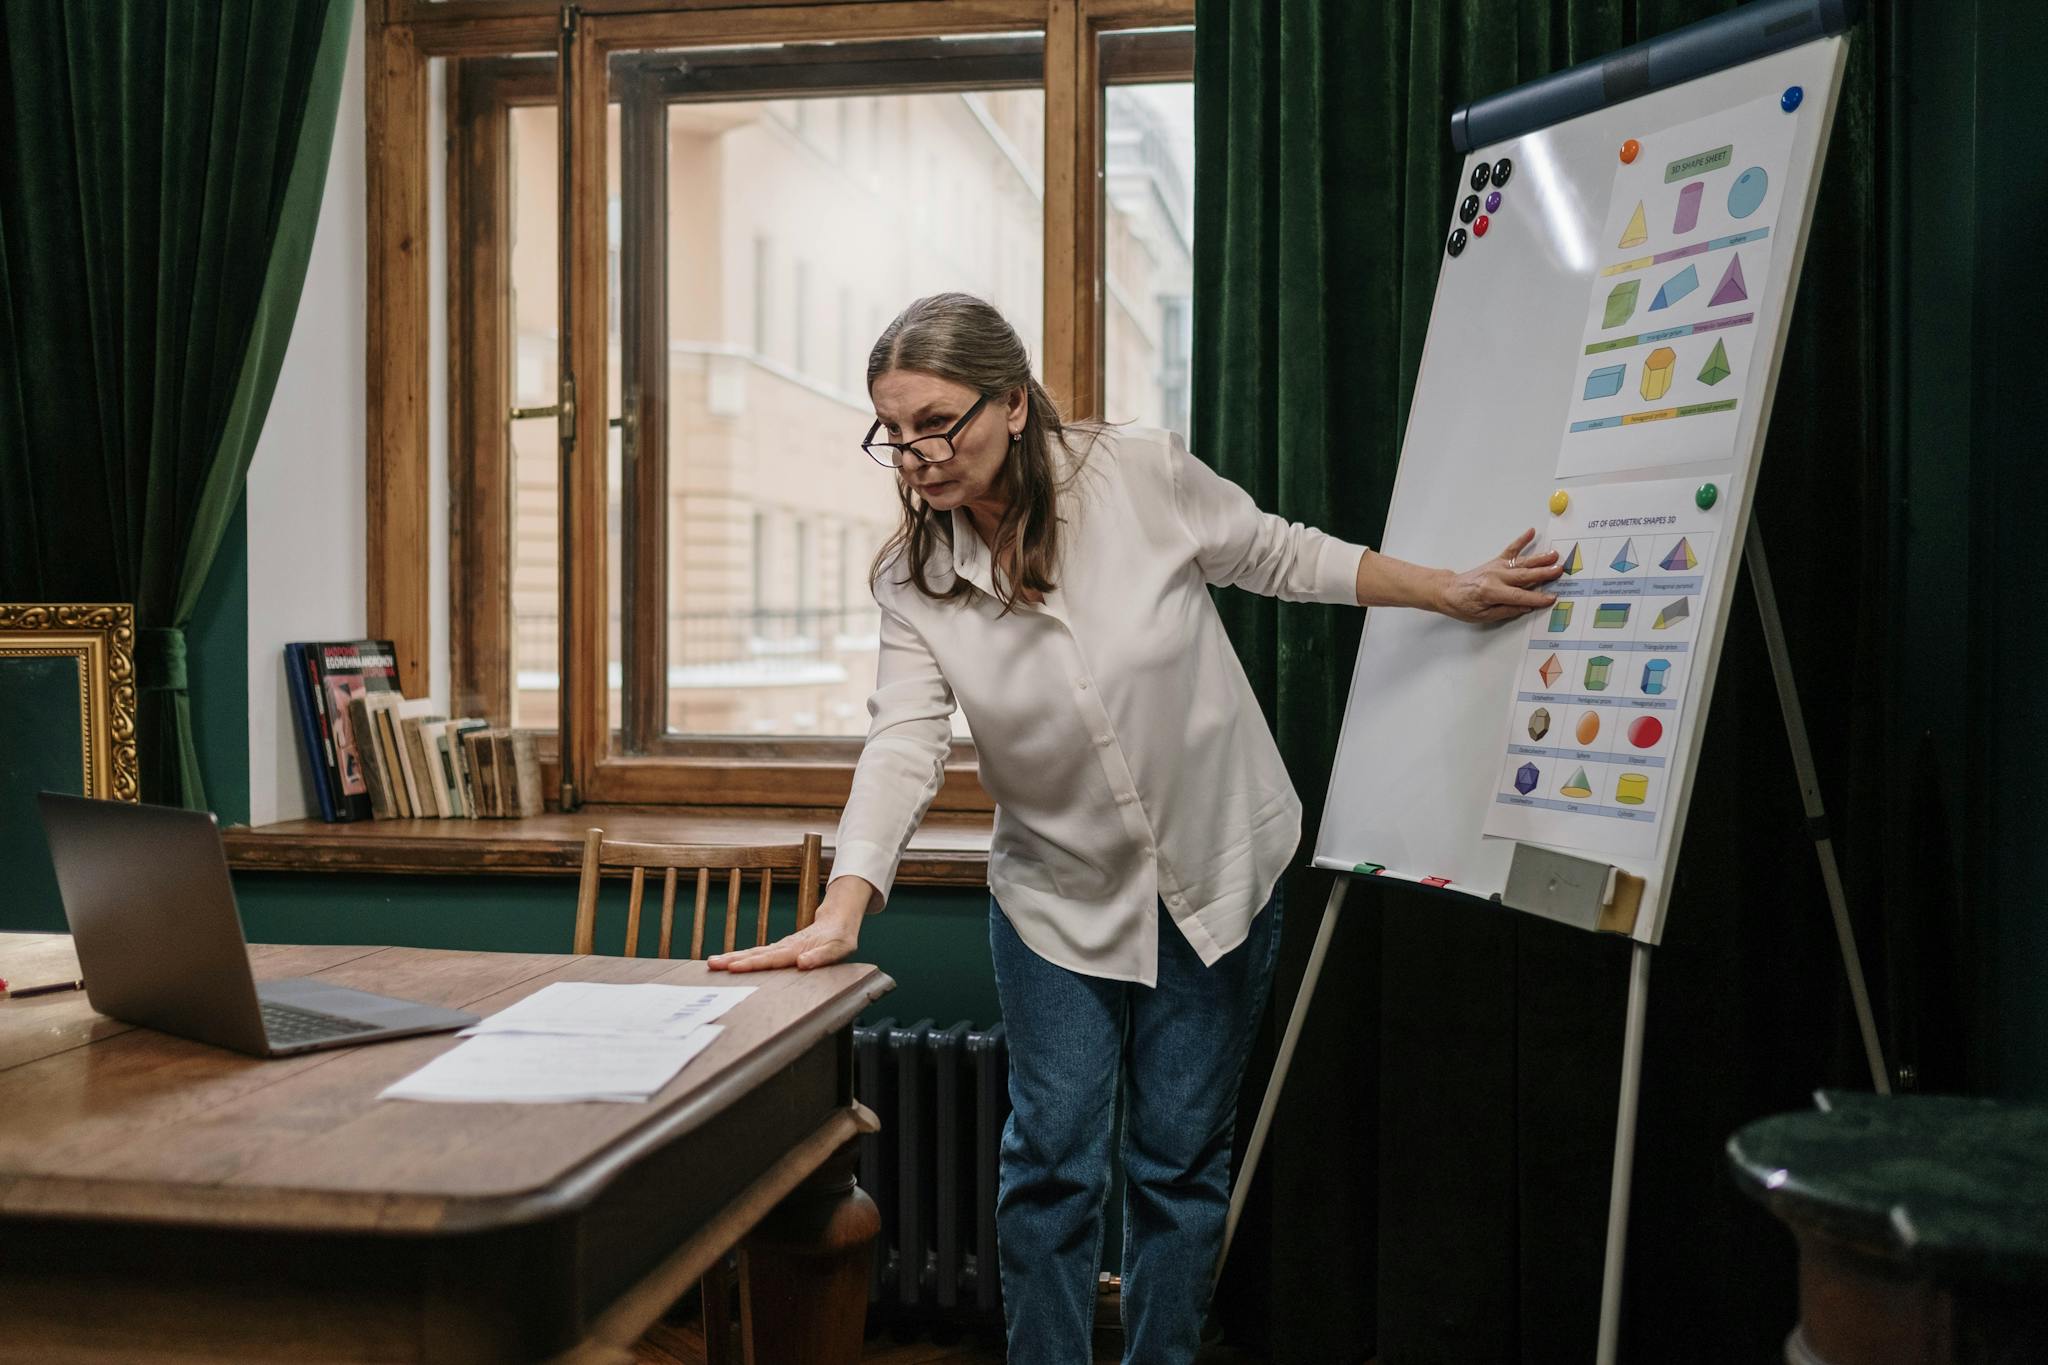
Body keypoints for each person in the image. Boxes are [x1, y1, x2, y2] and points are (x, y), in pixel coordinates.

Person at [709, 292, 1561, 1363]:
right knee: (1052, 1166)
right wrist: (845, 906)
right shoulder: (911, 580)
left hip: (1214, 874)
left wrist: (1444, 588)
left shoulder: (1136, 473)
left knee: (1176, 1165)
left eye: (937, 423)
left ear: (1011, 403)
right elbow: (903, 744)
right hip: (1054, 898)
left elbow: (1277, 554)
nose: (915, 455)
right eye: (893, 431)